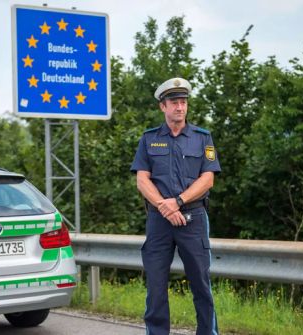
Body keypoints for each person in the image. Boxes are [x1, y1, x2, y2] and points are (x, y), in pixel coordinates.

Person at [130, 77, 221, 335]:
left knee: (201, 285)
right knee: (156, 287)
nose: (180, 107)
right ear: (163, 106)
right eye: (174, 102)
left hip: (193, 218)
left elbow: (208, 179)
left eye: (183, 102)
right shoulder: (149, 139)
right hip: (160, 222)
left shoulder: (203, 138)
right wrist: (164, 207)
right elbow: (142, 179)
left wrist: (178, 202)